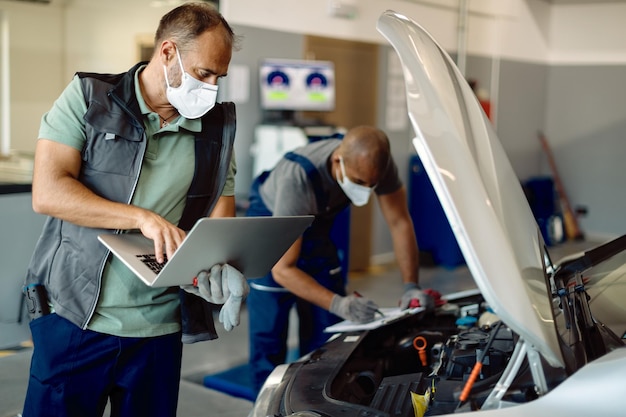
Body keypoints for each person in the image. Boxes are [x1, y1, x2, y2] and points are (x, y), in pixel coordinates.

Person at [21, 3, 248, 417]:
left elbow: (220, 223)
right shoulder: (89, 97)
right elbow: (48, 192)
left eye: (220, 77)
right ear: (167, 52)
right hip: (74, 318)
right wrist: (142, 218)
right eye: (204, 74)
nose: (212, 87)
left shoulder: (218, 130)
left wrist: (221, 268)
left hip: (159, 330)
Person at [245, 125, 434, 394]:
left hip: (316, 230)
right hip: (272, 229)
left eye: (372, 185)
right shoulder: (297, 178)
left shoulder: (377, 163)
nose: (366, 191)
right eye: (358, 183)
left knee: (330, 339)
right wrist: (340, 304)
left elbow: (400, 222)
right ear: (337, 162)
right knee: (270, 337)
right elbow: (283, 270)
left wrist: (410, 286)